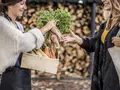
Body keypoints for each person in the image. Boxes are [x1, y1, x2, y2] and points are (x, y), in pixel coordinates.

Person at [0, 0, 61, 90]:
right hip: (7, 78)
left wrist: (50, 39)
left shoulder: (18, 25)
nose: (25, 7)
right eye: (22, 4)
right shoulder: (2, 23)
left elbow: (29, 45)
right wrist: (46, 27)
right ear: (10, 4)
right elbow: (24, 42)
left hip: (22, 77)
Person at [64, 0, 120, 90]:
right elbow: (95, 44)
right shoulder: (105, 25)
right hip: (101, 76)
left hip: (116, 79)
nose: (103, 0)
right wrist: (77, 39)